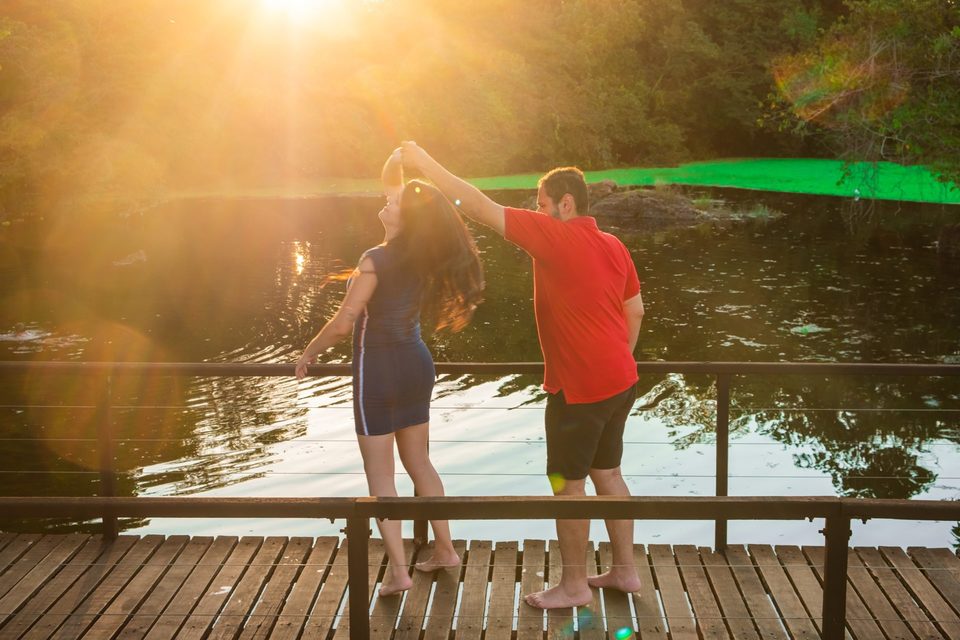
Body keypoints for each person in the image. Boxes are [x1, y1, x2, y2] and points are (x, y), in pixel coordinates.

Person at [401, 141, 645, 610]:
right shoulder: (614, 245)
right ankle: (625, 571)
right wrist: (616, 359)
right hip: (621, 381)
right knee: (609, 475)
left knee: (568, 486)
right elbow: (635, 310)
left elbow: (476, 205)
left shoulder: (555, 235)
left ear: (565, 205)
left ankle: (574, 586)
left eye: (541, 204)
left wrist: (423, 161)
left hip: (580, 389)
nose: (537, 211)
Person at [295, 149, 484, 596]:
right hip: (416, 364)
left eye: (395, 201)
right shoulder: (419, 253)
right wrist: (398, 157)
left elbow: (344, 322)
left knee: (381, 476)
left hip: (378, 372)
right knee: (419, 462)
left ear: (405, 216)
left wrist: (308, 353)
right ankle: (445, 549)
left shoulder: (375, 259)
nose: (388, 199)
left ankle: (399, 573)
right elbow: (392, 186)